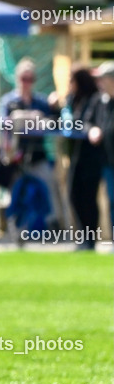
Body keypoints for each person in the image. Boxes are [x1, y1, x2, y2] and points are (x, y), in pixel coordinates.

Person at [0, 58, 60, 227]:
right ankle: (13, 228)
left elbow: (54, 122)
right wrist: (27, 117)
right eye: (23, 79)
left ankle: (54, 224)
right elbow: (4, 122)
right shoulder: (8, 101)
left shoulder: (41, 101)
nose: (26, 83)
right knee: (14, 192)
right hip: (16, 156)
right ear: (17, 78)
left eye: (30, 79)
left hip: (37, 154)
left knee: (50, 186)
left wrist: (55, 108)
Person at [80, 62, 114, 246]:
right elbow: (85, 122)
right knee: (110, 201)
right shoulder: (99, 101)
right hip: (104, 161)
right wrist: (92, 129)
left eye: (104, 79)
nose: (100, 83)